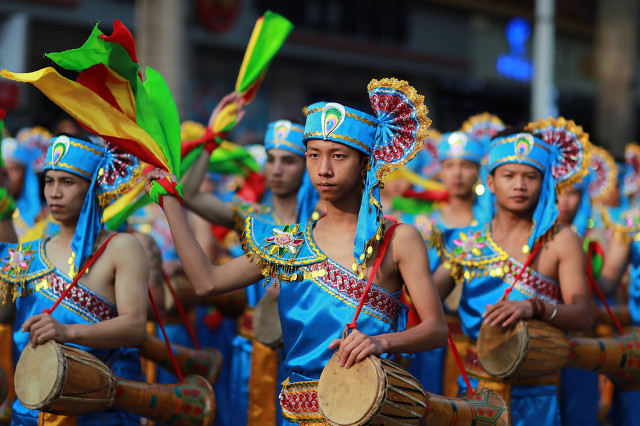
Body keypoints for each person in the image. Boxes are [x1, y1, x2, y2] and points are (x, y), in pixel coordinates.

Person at [146, 78, 448, 425]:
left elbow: (435, 329)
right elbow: (206, 282)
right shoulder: (288, 244)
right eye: (313, 155)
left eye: (339, 156)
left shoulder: (397, 239)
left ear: (366, 163)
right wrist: (170, 202)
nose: (324, 170)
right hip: (298, 416)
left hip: (371, 411)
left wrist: (382, 343)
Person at [433, 122, 593, 426]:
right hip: (475, 389)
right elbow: (423, 302)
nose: (520, 185)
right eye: (509, 175)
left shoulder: (561, 241)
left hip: (537, 393)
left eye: (530, 176)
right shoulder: (467, 242)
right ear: (491, 182)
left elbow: (584, 314)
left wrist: (534, 307)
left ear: (544, 181)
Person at [0, 134, 149, 425]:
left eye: (68, 182)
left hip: (98, 412)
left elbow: (134, 327)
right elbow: (3, 315)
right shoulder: (26, 255)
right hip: (31, 414)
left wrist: (68, 332)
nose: (55, 193)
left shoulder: (121, 248)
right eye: (49, 181)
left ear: (93, 187)